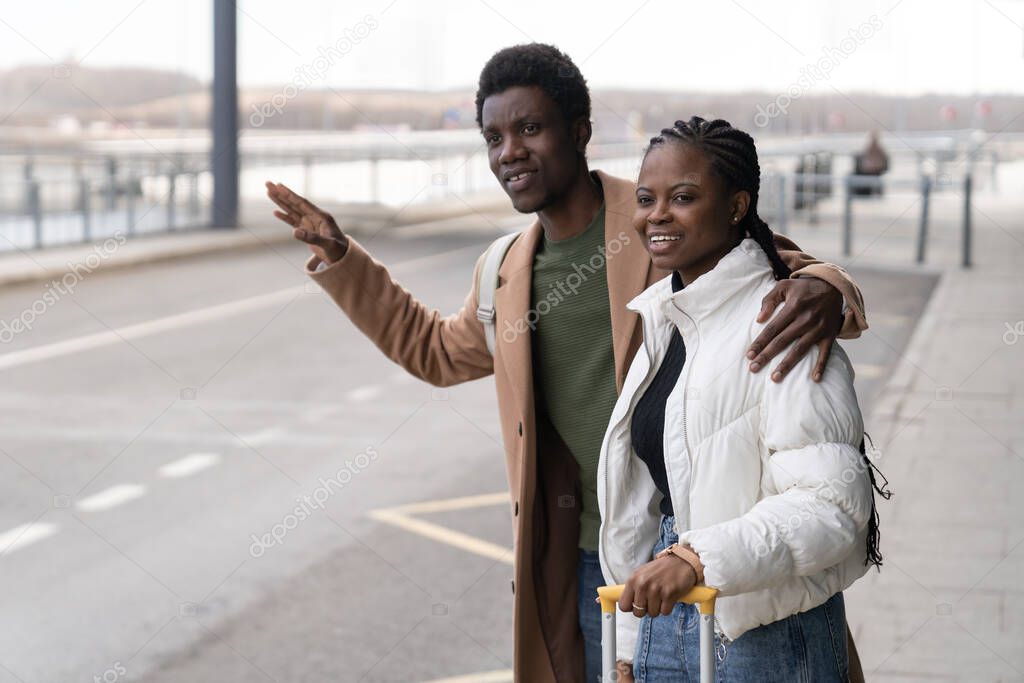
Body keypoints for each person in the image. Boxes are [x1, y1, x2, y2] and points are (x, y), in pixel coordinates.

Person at [265, 44, 868, 683]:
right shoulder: (505, 267)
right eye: (493, 137)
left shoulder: (654, 216)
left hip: (706, 548)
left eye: (530, 128)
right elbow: (436, 352)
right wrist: (344, 261)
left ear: (580, 132)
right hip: (587, 555)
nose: (509, 152)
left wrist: (830, 286)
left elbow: (767, 271)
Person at [598, 116, 880, 682]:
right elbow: (646, 503)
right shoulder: (664, 318)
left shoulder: (785, 322)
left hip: (769, 633)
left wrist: (696, 558)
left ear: (735, 206)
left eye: (683, 197)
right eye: (647, 197)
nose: (657, 214)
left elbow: (832, 508)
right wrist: (629, 644)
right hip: (669, 615)